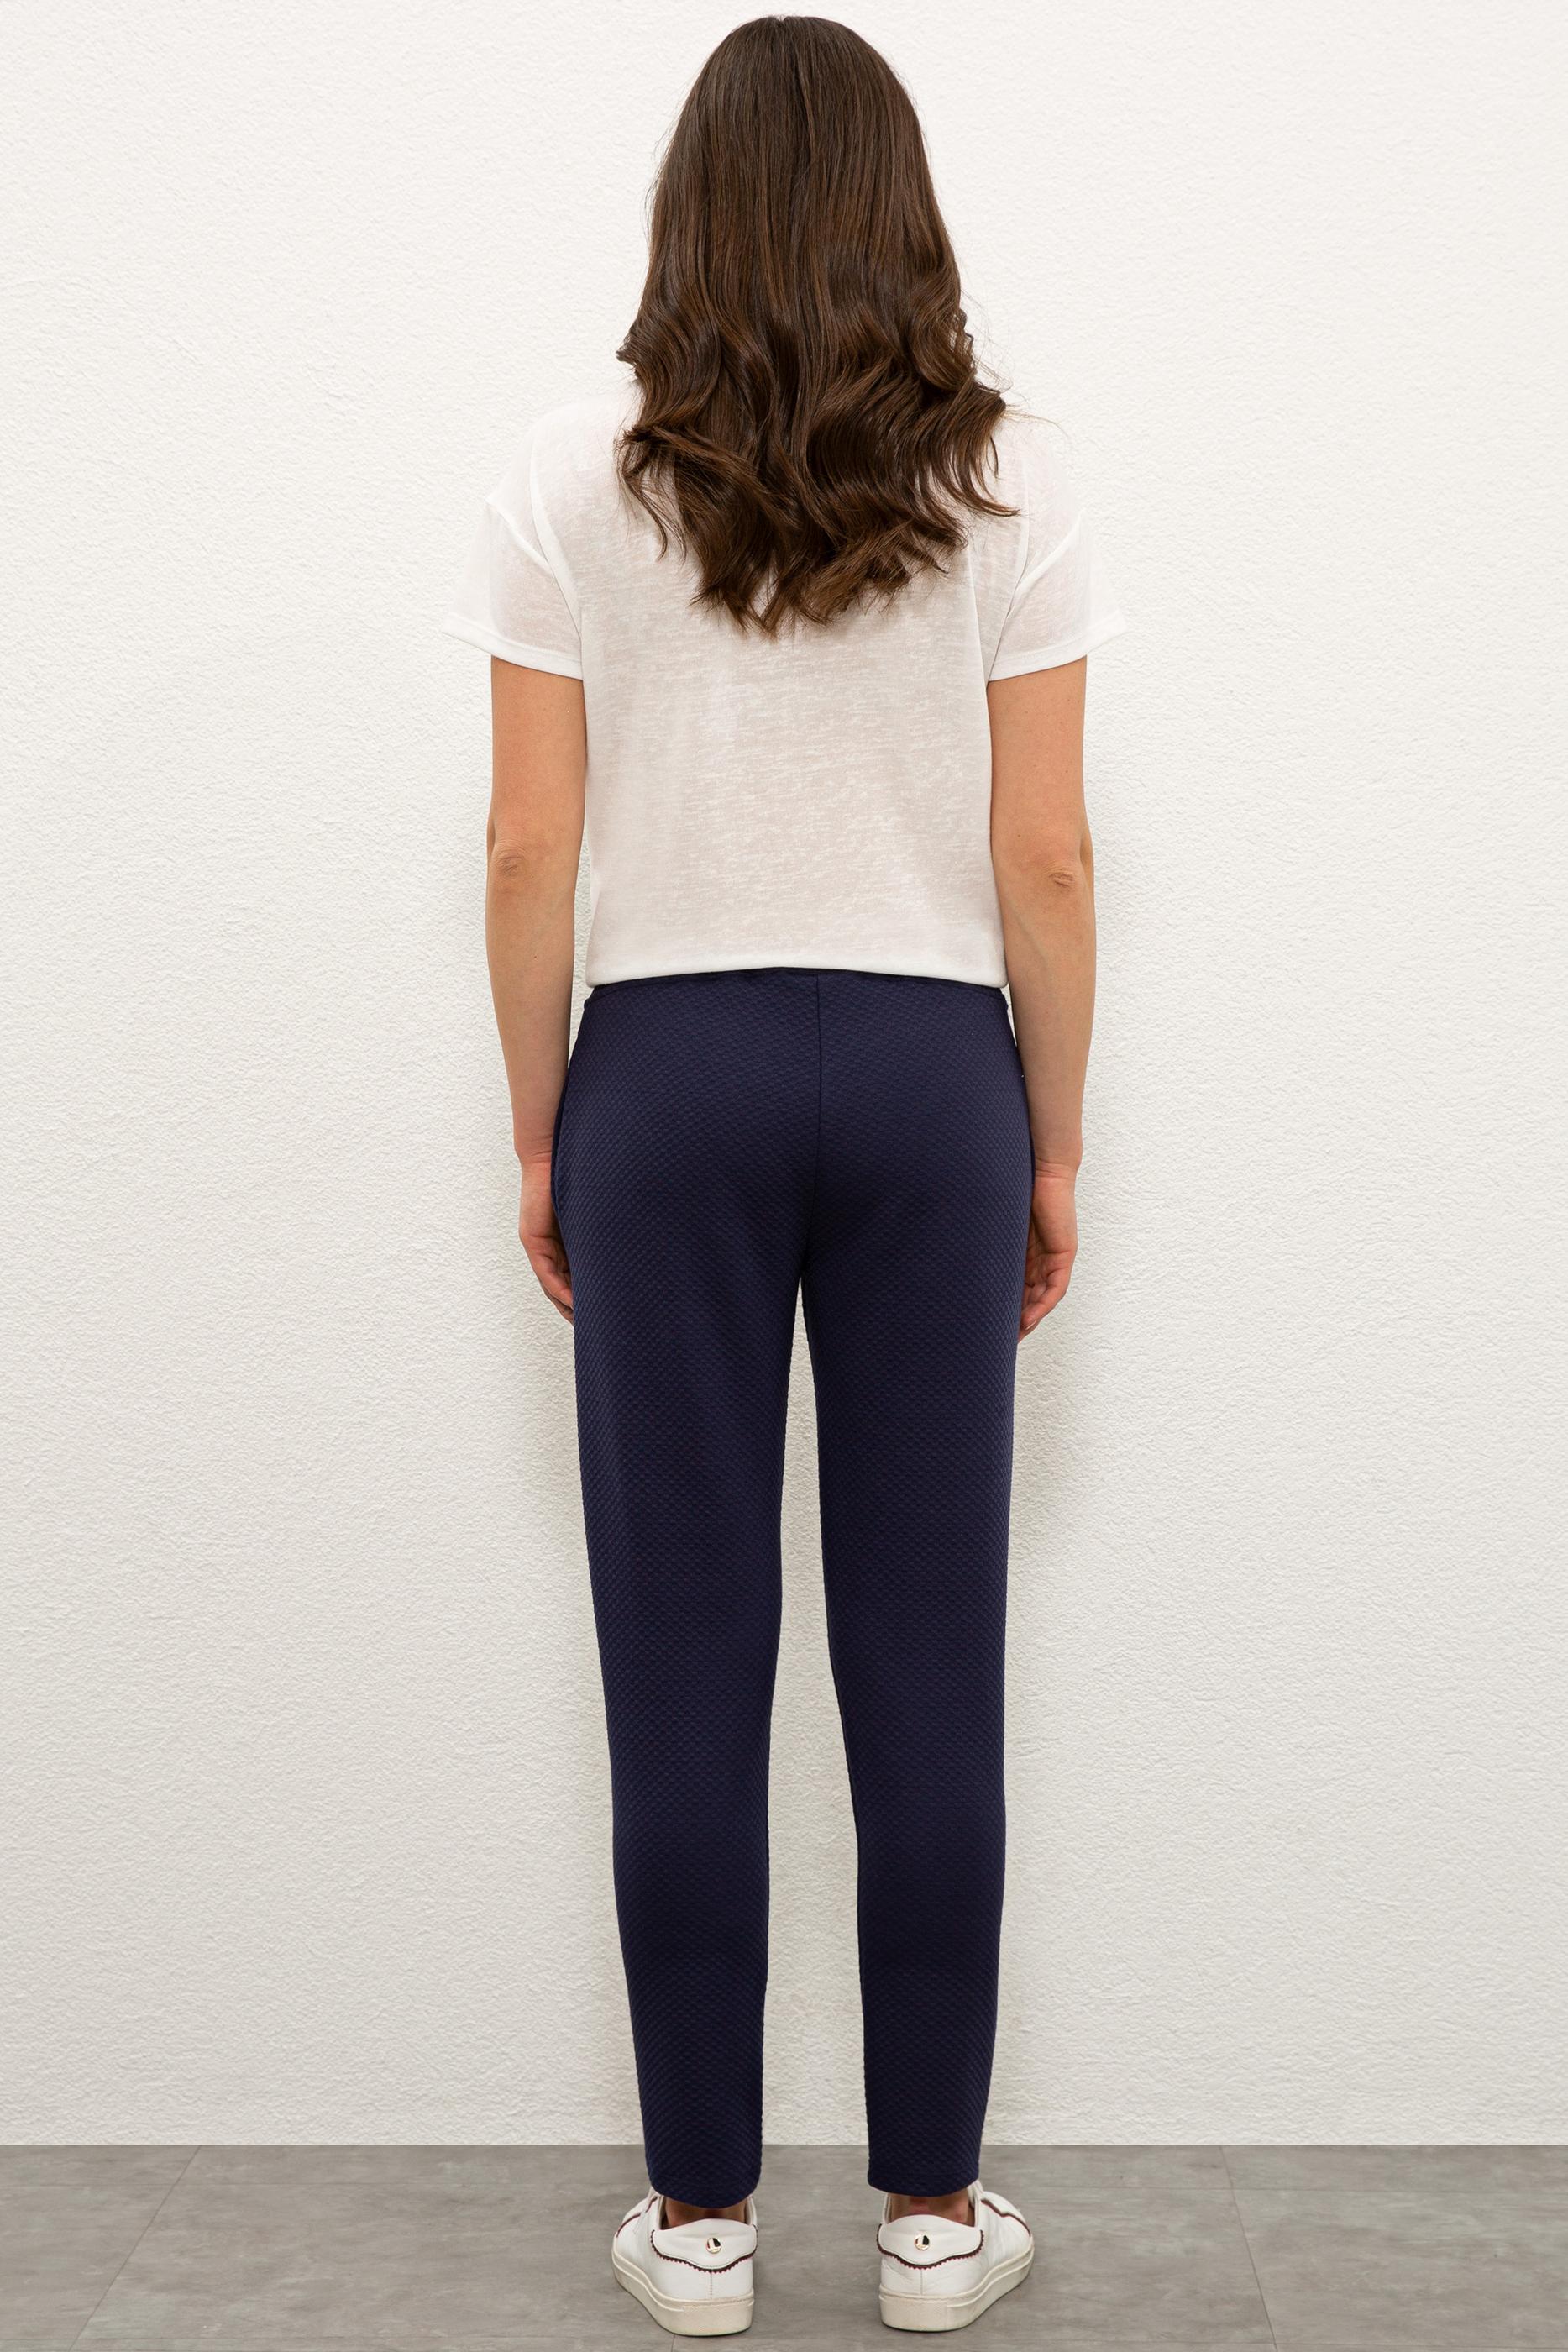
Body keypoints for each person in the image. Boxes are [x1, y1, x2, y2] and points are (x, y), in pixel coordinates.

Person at [445, 15, 1123, 2336]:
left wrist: (543, 1120)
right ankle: (931, 2222)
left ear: (689, 208)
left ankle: (704, 2226)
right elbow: (1045, 855)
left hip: (669, 1074)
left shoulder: (571, 473)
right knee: (928, 1654)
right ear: (903, 212)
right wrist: (1052, 1138)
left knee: (683, 1655)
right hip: (934, 1074)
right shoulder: (1012, 475)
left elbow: (528, 845)